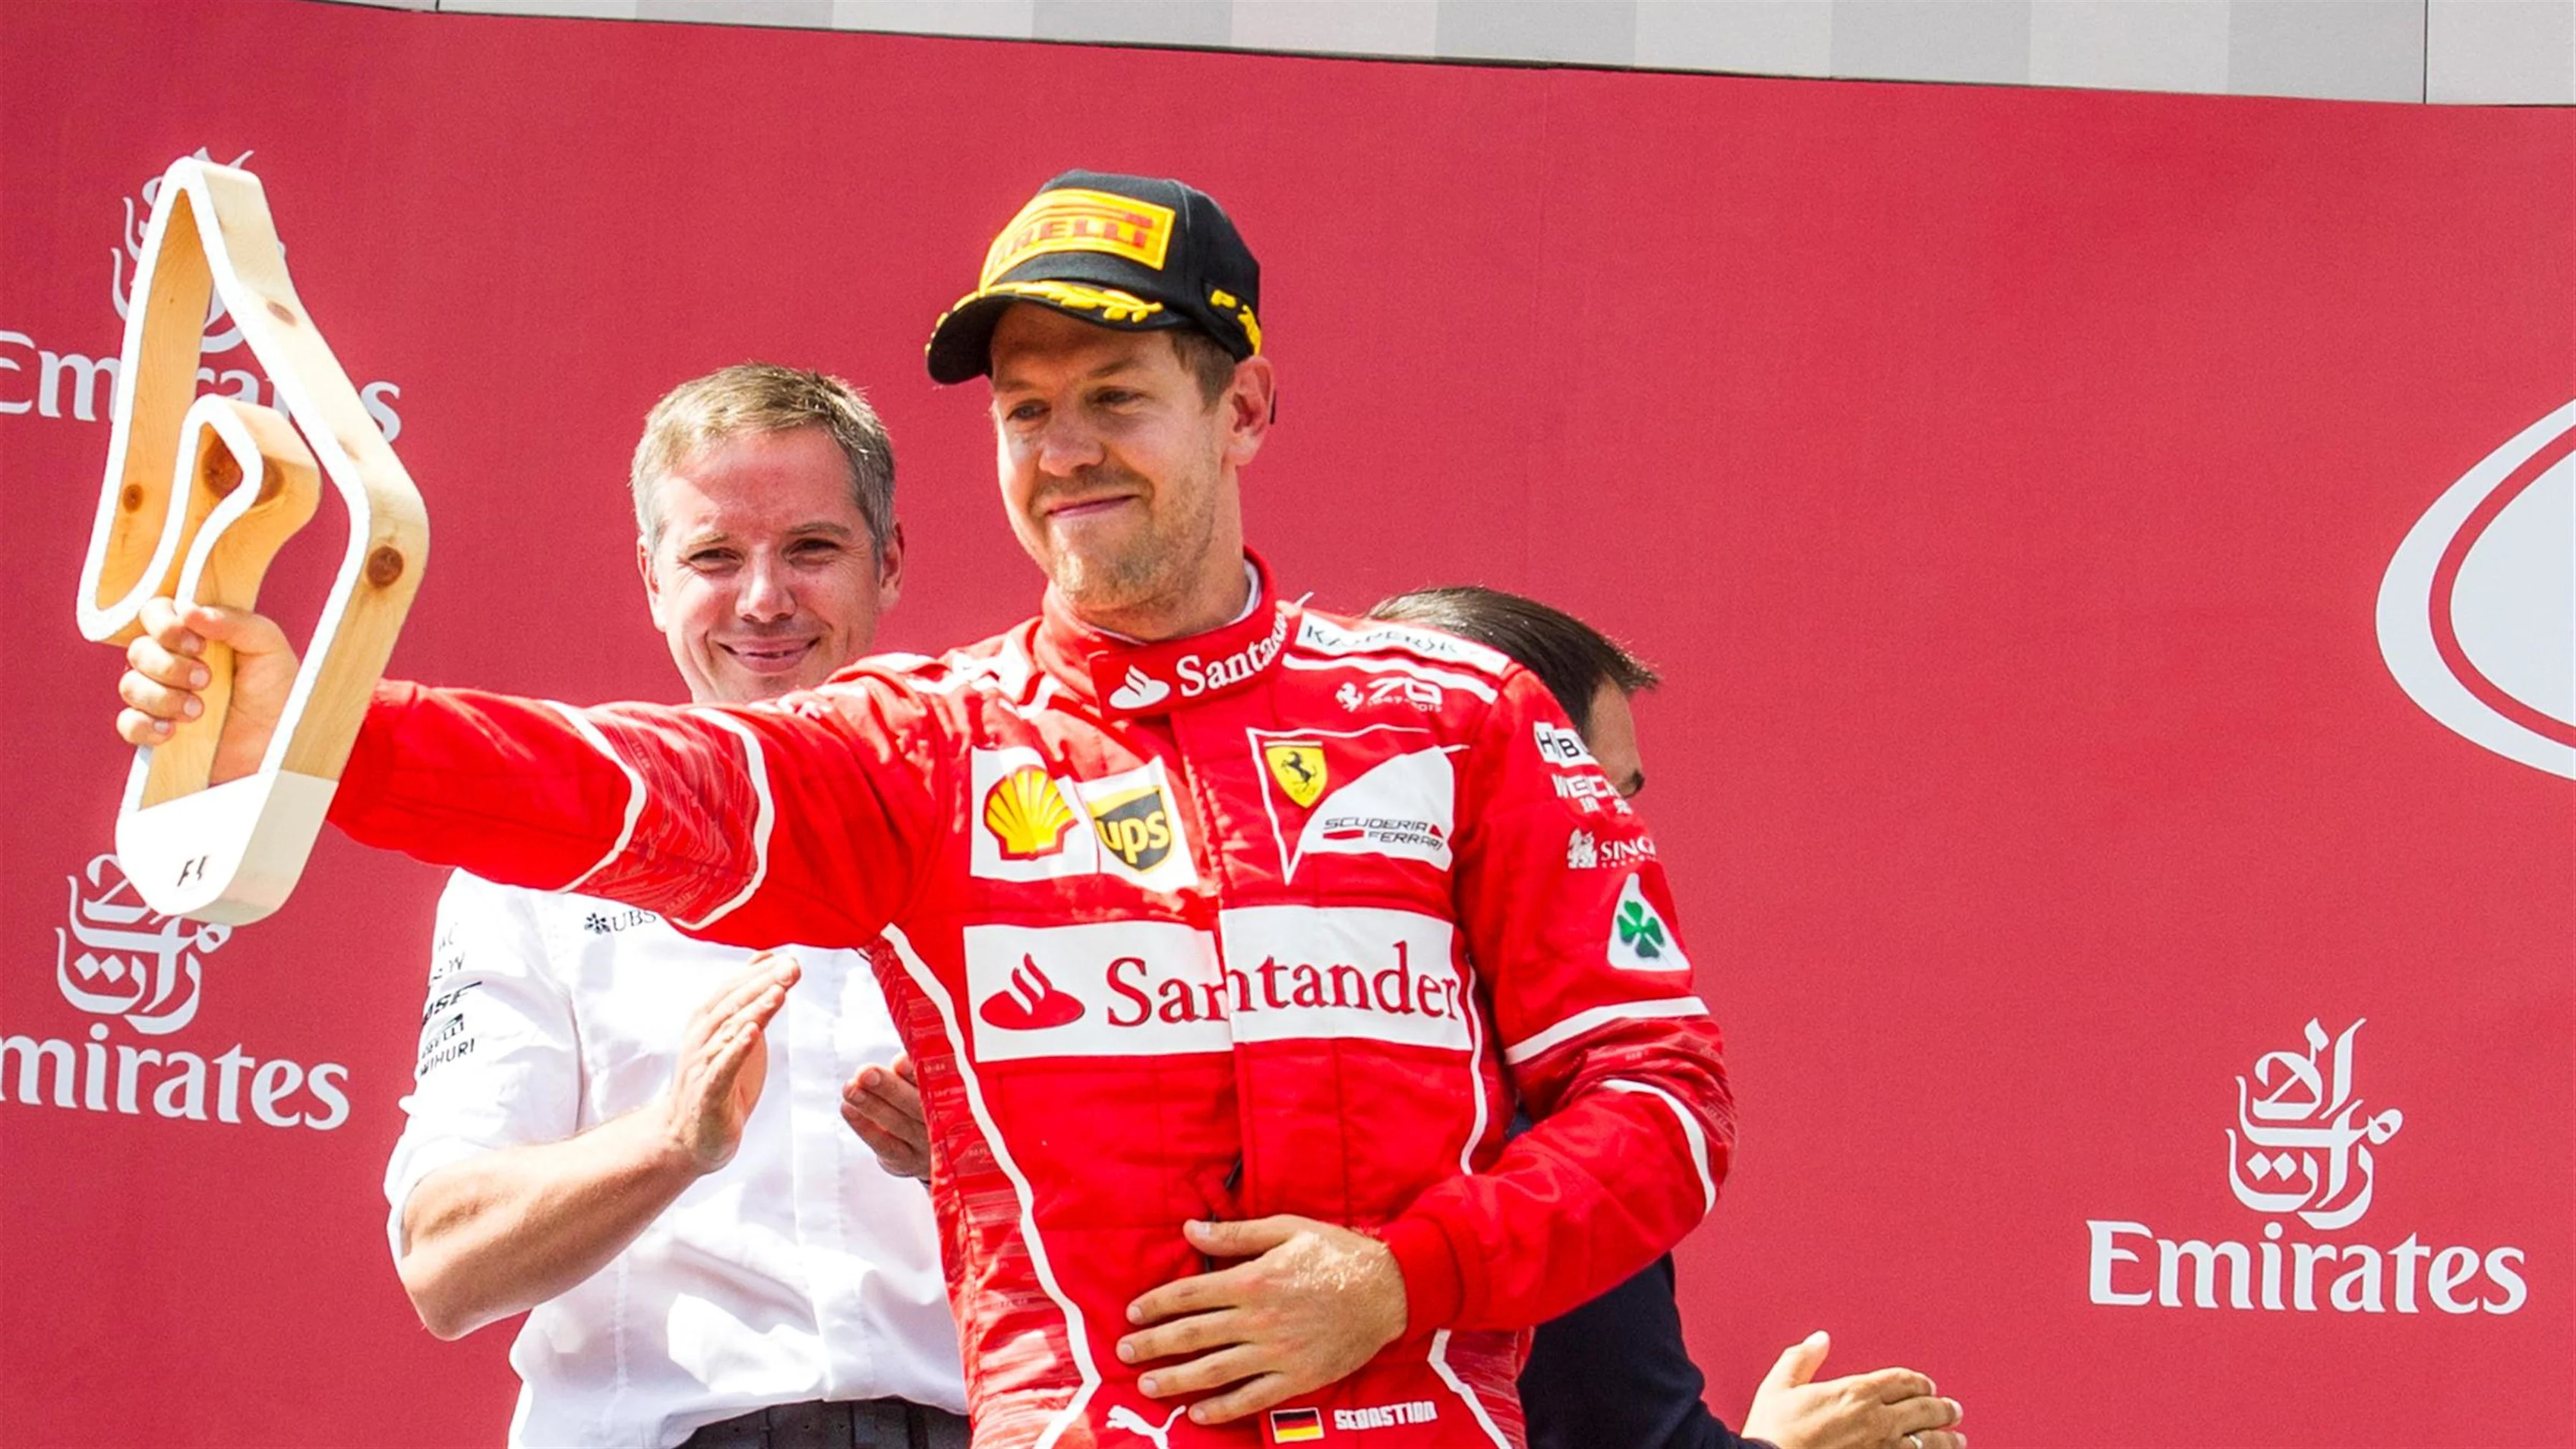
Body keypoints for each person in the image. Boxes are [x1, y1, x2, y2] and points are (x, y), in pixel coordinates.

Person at [115, 171, 1732, 1448]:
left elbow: (1659, 1099)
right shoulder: (930, 744)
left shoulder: (1460, 720)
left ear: (1238, 409)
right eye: (1026, 413)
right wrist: (316, 727)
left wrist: (1398, 1278)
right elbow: (652, 789)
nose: (1065, 452)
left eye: (1115, 395)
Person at [383, 365, 968, 1449]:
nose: (762, 600)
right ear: (652, 579)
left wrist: (995, 1156)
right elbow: (444, 1263)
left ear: (888, 564)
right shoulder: (542, 871)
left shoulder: (1022, 844)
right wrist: (666, 1144)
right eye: (713, 557)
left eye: (811, 549)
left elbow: (1189, 1254)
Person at [1367, 587, 1966, 1449]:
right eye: (1593, 802)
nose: (1621, 850)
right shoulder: (1543, 1127)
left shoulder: (1200, 1045)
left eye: (1623, 808)